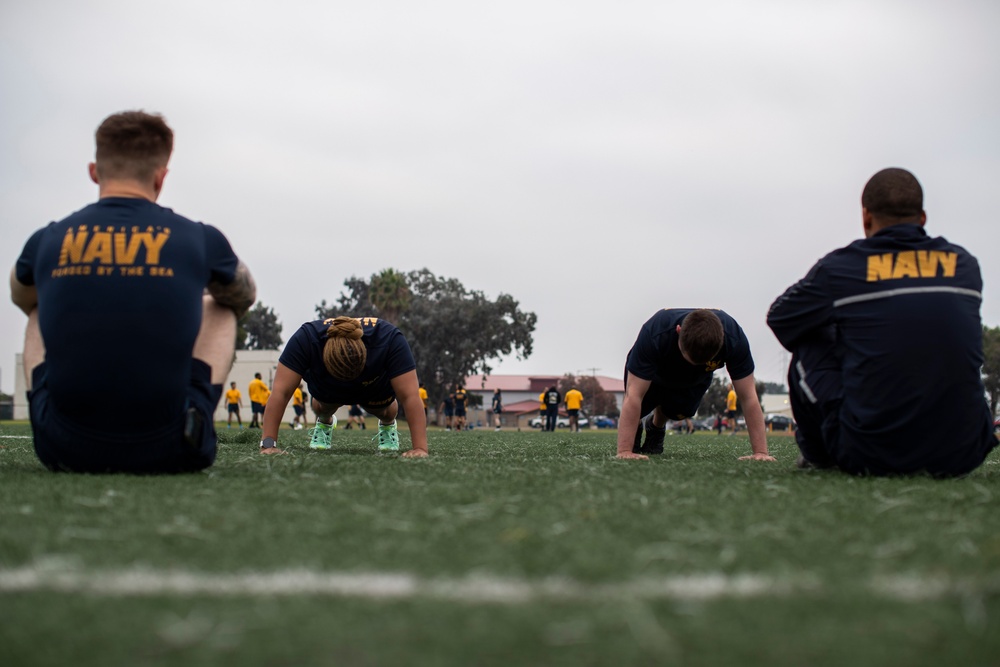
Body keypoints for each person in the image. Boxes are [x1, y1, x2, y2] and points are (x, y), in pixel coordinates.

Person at [10, 110, 256, 473]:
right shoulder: (201, 238)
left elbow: (21, 295)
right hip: (174, 450)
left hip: (62, 448)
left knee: (37, 307)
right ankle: (194, 423)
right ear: (161, 177)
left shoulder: (47, 239)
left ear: (94, 171)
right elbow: (244, 295)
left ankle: (55, 422)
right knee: (219, 308)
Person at [767, 167, 996, 476]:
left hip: (869, 453)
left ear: (866, 218)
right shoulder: (965, 265)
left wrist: (843, 336)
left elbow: (780, 318)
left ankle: (818, 454)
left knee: (809, 338)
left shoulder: (841, 267)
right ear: (923, 218)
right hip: (964, 451)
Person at [617, 308, 774, 461]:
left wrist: (760, 452)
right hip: (655, 372)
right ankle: (636, 430)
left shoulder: (734, 338)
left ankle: (656, 426)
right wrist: (624, 450)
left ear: (721, 341)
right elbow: (634, 395)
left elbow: (748, 397)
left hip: (697, 377)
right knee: (640, 405)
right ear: (678, 331)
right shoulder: (656, 332)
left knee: (682, 411)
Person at [259, 316, 427, 457]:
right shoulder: (306, 339)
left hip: (372, 384)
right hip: (328, 386)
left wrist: (420, 448)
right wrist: (268, 444)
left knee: (387, 411)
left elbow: (410, 396)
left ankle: (388, 424)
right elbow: (281, 392)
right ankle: (325, 422)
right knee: (320, 407)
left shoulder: (388, 339)